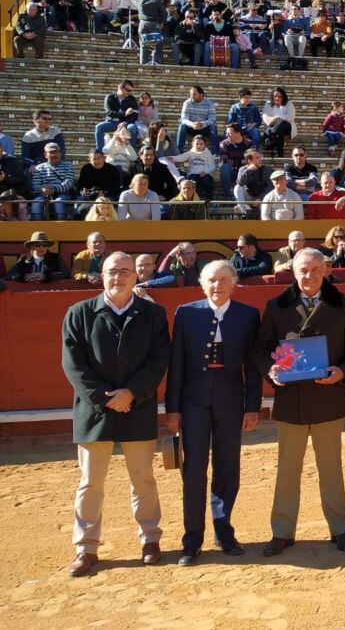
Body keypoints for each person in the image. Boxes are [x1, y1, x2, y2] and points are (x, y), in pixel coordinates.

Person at [250, 248, 345, 557]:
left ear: (326, 270)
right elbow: (261, 350)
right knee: (287, 469)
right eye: (304, 270)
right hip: (292, 400)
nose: (310, 275)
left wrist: (343, 372)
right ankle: (282, 531)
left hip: (328, 396)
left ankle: (339, 528)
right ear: (293, 271)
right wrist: (271, 370)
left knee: (331, 468)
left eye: (316, 269)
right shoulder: (276, 306)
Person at [61, 252, 171, 577]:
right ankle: (85, 547)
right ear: (101, 275)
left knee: (143, 480)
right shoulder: (79, 313)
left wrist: (131, 393)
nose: (118, 277)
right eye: (112, 271)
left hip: (137, 407)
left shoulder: (152, 313)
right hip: (95, 412)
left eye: (125, 271)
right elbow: (73, 364)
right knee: (90, 483)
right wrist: (106, 399)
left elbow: (158, 359)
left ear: (136, 277)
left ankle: (150, 540)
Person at [166, 262, 262, 566]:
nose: (217, 285)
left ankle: (224, 530)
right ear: (202, 284)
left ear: (234, 283)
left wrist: (252, 406)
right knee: (193, 468)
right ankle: (192, 539)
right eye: (211, 280)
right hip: (193, 400)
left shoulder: (248, 315)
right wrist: (173, 409)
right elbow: (176, 363)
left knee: (227, 465)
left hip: (231, 399)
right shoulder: (186, 313)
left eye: (223, 280)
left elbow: (253, 365)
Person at [3, 230, 70, 283]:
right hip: (28, 294)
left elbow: (66, 274)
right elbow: (9, 275)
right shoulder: (24, 259)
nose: (41, 247)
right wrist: (24, 277)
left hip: (50, 292)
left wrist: (46, 276)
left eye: (44, 245)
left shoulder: (56, 258)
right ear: (32, 247)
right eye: (38, 245)